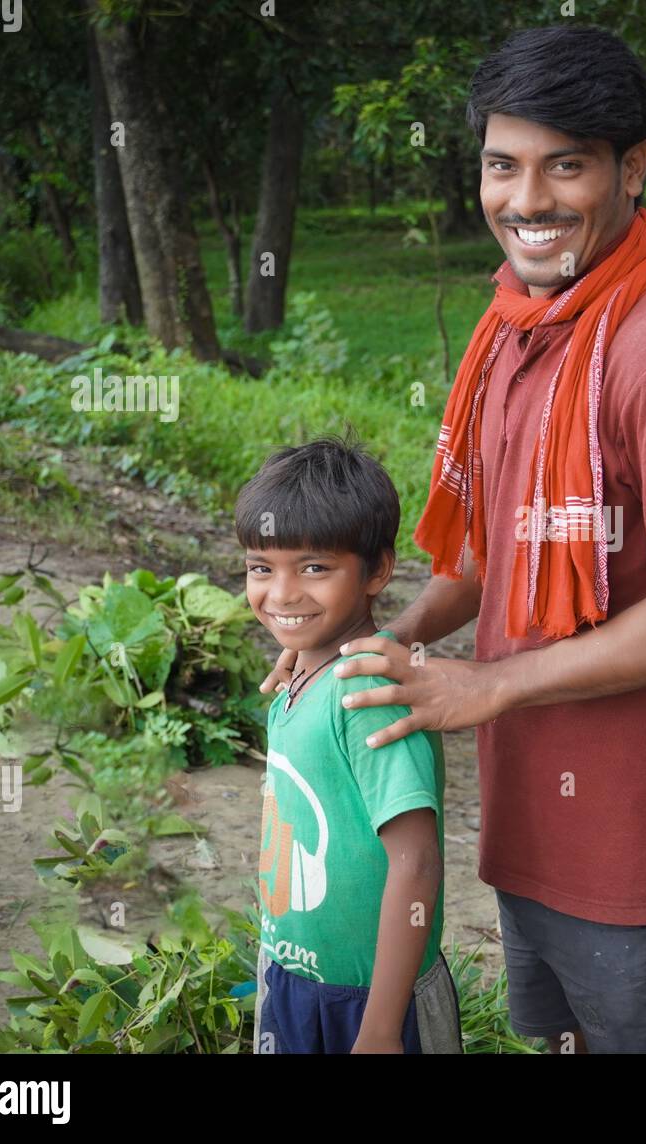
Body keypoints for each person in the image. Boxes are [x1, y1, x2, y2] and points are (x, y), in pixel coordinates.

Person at [262, 25, 646, 1054]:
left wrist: (486, 687)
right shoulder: (518, 332)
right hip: (527, 822)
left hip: (631, 850)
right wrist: (360, 649)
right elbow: (490, 557)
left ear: (632, 169)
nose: (526, 199)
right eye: (502, 164)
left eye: (564, 165)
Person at [239, 434, 462, 1054]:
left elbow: (415, 863)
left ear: (378, 571)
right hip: (292, 976)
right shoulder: (298, 677)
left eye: (314, 567)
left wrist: (382, 1029)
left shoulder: (368, 695)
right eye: (262, 567)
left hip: (372, 1004)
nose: (282, 593)